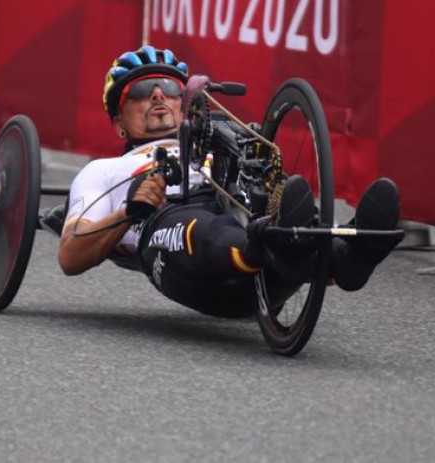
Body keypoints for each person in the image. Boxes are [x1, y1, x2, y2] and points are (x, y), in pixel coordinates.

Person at [40, 45, 402, 318]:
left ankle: (349, 256)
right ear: (118, 122)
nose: (157, 94)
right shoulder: (103, 171)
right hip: (172, 238)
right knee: (198, 225)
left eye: (168, 86)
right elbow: (70, 256)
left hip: (253, 247)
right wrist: (129, 211)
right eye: (139, 90)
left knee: (271, 196)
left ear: (185, 105)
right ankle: (270, 244)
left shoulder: (218, 140)